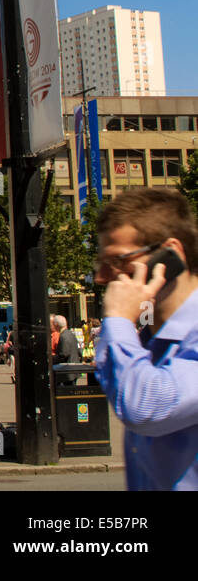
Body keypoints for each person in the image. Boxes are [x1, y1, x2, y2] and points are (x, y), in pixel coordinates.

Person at [93, 186, 198, 489]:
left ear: (171, 255)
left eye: (117, 261)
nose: (101, 277)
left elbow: (144, 408)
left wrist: (118, 319)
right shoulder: (150, 342)